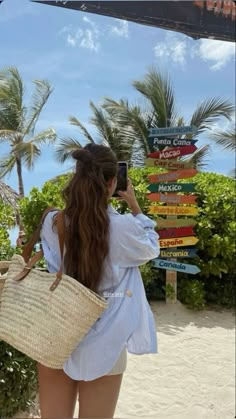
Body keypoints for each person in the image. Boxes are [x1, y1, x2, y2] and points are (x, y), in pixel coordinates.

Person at [38, 143, 160, 418]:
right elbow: (152, 246)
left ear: (77, 177)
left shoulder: (52, 222)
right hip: (107, 339)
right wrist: (134, 204)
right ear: (113, 182)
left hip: (56, 333)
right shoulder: (124, 229)